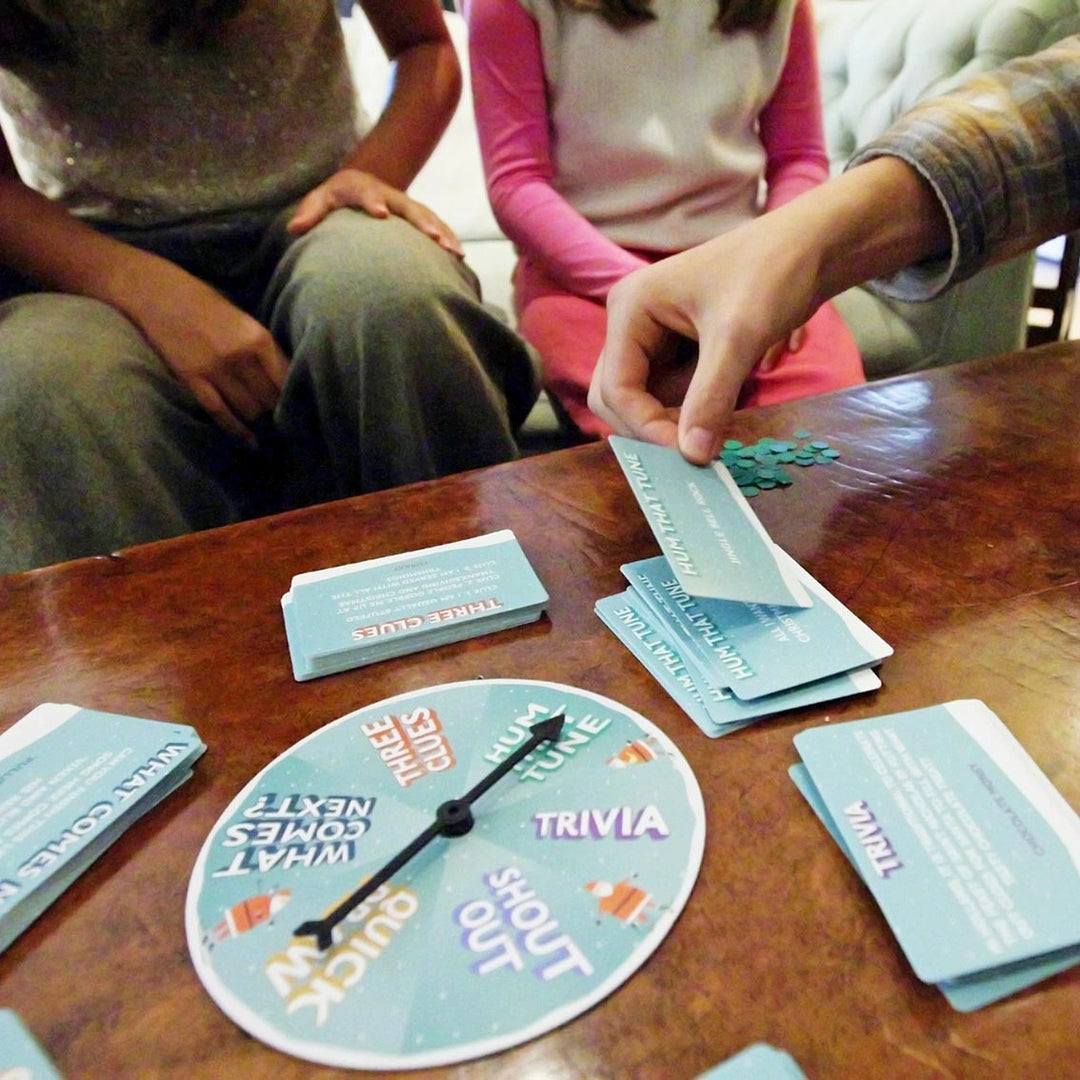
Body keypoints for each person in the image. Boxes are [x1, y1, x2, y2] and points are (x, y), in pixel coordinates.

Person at [0, 0, 539, 575]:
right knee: (40, 379)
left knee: (393, 298)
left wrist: (368, 173)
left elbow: (424, 48)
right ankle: (155, 655)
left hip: (314, 212)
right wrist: (141, 288)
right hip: (93, 252)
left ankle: (476, 606)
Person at [588, 35, 1080, 464]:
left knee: (826, 417)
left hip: (742, 251)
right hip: (604, 269)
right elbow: (1055, 111)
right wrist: (800, 245)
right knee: (628, 410)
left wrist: (784, 248)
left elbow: (799, 157)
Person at [464, 0, 863, 440]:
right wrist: (654, 296)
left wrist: (776, 267)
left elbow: (799, 159)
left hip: (741, 260)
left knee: (830, 435)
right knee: (656, 442)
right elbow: (516, 184)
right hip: (586, 277)